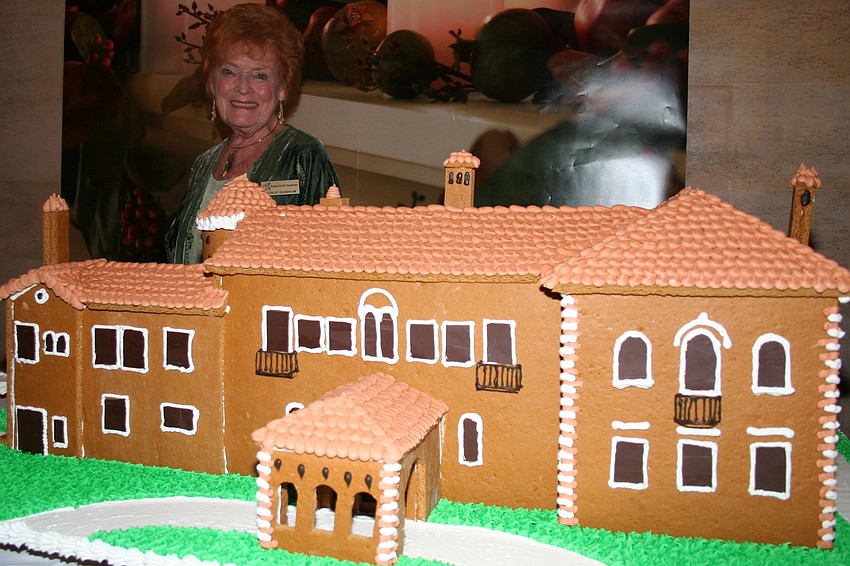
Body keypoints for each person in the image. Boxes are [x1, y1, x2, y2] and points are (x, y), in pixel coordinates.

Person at [167, 3, 340, 263]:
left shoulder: (303, 156)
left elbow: (327, 258)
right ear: (212, 82)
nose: (243, 87)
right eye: (229, 71)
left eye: (260, 75)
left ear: (282, 87)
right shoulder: (204, 164)